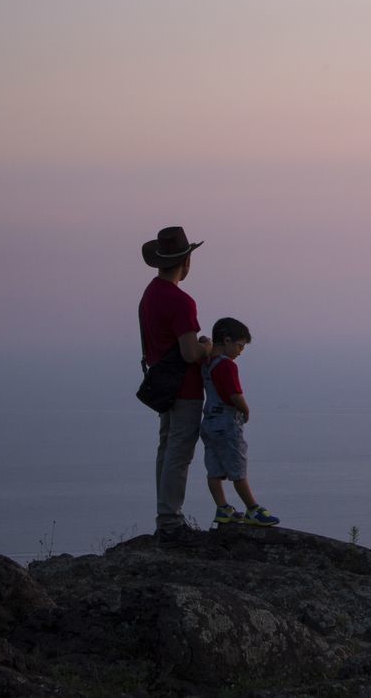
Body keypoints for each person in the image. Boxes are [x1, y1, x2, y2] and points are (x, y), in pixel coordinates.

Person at [140, 226, 221, 542]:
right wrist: (208, 347)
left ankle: (165, 515)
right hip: (184, 389)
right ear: (185, 261)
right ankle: (171, 520)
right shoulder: (181, 301)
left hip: (162, 385)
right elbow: (189, 353)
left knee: (166, 448)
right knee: (179, 453)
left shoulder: (149, 294)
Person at [200, 317, 280, 527]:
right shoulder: (228, 366)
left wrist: (205, 343)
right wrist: (245, 410)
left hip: (208, 422)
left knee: (214, 470)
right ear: (227, 341)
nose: (240, 351)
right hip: (227, 423)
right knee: (238, 469)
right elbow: (235, 394)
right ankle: (252, 509)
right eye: (239, 346)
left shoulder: (207, 362)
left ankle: (222, 508)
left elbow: (205, 343)